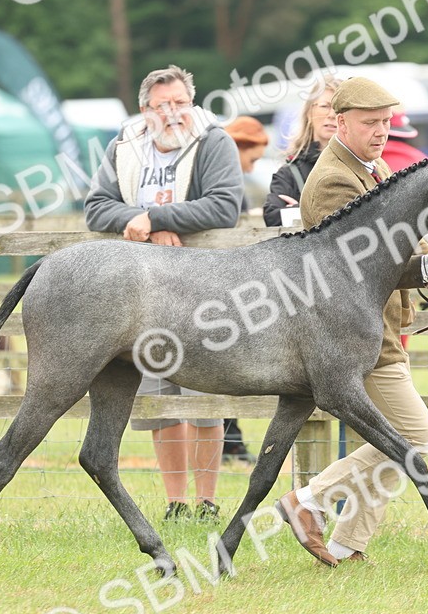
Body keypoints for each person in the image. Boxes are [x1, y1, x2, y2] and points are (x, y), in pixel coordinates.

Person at [273, 77, 428, 566]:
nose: (382, 131)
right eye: (370, 123)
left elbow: (403, 248)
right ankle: (308, 500)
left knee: (396, 441)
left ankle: (348, 546)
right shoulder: (334, 180)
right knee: (416, 438)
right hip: (351, 334)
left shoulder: (368, 170)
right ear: (342, 121)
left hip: (382, 330)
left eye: (387, 122)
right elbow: (359, 266)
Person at [84, 64, 242, 521]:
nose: (171, 113)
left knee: (207, 394)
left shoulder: (215, 142)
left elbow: (225, 204)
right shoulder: (124, 146)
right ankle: (175, 503)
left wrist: (158, 218)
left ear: (191, 104)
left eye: (179, 103)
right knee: (160, 395)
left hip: (207, 284)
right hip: (147, 291)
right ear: (144, 110)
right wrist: (143, 226)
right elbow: (97, 207)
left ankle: (207, 502)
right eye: (161, 105)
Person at [220, 115, 270, 464]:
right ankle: (230, 440)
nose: (252, 166)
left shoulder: (229, 182)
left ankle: (231, 438)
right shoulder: (228, 183)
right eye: (251, 158)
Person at [263, 76, 341, 228]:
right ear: (309, 113)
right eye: (325, 106)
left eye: (339, 108)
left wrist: (297, 211)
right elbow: (272, 217)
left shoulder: (361, 167)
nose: (332, 114)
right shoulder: (289, 173)